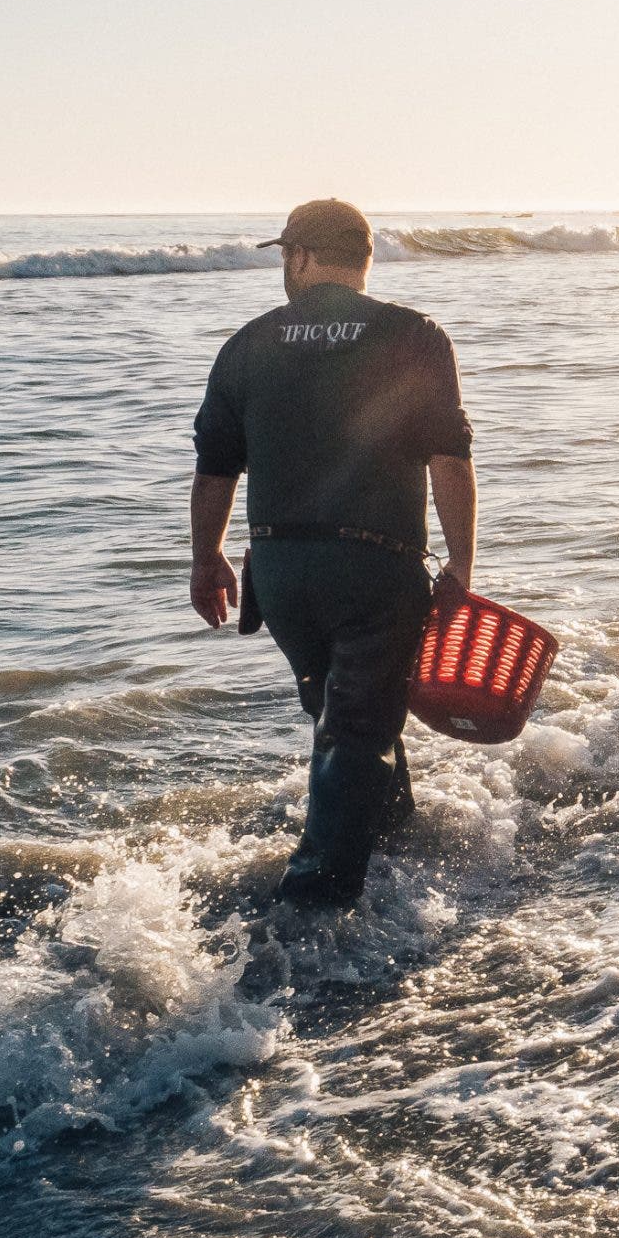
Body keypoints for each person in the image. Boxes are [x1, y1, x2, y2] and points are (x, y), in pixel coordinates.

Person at [188, 199, 477, 909]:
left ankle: (392, 835)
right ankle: (315, 908)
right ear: (364, 259)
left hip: (280, 577)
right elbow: (449, 458)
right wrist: (461, 566)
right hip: (374, 570)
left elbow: (215, 468)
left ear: (299, 257)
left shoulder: (248, 344)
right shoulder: (414, 335)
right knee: (357, 726)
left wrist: (207, 559)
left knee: (344, 710)